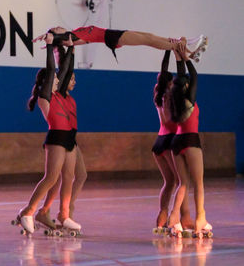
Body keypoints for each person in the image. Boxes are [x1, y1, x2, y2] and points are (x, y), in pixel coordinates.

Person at [17, 33, 81, 234]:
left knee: (68, 176)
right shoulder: (47, 96)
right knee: (52, 177)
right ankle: (27, 211)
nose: (58, 79)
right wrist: (51, 44)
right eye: (54, 78)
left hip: (70, 137)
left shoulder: (60, 94)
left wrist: (70, 48)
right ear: (47, 81)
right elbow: (54, 68)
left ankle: (64, 215)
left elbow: (66, 69)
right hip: (57, 138)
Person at [167, 49, 212, 236]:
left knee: (183, 183)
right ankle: (201, 218)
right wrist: (186, 58)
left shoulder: (174, 99)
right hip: (191, 140)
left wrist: (178, 56)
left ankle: (174, 217)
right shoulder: (189, 101)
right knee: (198, 183)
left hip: (176, 142)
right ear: (187, 88)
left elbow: (182, 77)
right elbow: (193, 75)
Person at [152, 49, 193, 231]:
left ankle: (162, 214)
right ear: (171, 82)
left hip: (158, 141)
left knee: (169, 182)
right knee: (181, 181)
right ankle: (179, 218)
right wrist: (176, 56)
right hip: (169, 140)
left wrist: (168, 51)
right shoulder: (171, 94)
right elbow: (178, 76)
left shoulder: (158, 94)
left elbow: (163, 70)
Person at [33, 25, 206, 61]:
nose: (57, 26)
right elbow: (56, 40)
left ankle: (188, 48)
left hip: (112, 35)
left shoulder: (74, 33)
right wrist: (49, 37)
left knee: (149, 34)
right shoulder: (70, 38)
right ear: (59, 36)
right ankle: (184, 49)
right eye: (55, 28)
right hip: (111, 37)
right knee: (148, 40)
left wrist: (51, 36)